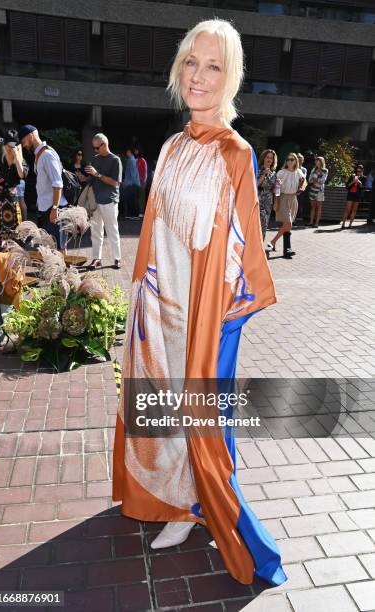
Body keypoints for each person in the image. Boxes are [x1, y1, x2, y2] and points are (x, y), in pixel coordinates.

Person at [112, 19, 287, 588]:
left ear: (231, 77)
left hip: (204, 320)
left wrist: (218, 328)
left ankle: (196, 508)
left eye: (214, 65)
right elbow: (156, 228)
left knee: (199, 422)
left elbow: (245, 252)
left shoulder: (237, 155)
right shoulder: (170, 146)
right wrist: (140, 294)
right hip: (158, 310)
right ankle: (171, 497)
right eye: (191, 61)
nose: (199, 75)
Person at [19, 124, 68, 252]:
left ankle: (62, 272)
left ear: (30, 136)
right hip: (46, 209)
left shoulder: (47, 154)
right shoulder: (39, 155)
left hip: (54, 209)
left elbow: (57, 183)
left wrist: (55, 208)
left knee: (58, 248)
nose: (23, 145)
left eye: (23, 141)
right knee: (50, 247)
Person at [85, 133, 123, 269]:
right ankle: (97, 258)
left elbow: (114, 182)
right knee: (95, 232)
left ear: (105, 144)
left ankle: (117, 258)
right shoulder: (95, 159)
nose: (95, 151)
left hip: (109, 200)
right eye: (94, 148)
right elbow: (93, 179)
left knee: (112, 230)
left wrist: (97, 174)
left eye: (97, 148)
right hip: (95, 201)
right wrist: (85, 178)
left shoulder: (115, 160)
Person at [0, 129, 28, 248]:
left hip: (12, 199)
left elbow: (22, 175)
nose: (10, 149)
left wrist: (17, 160)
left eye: (13, 147)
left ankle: (15, 261)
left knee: (15, 233)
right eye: (8, 146)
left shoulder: (20, 160)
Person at [267, 153, 306, 258]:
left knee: (288, 226)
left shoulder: (299, 172)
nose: (290, 161)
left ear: (296, 161)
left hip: (293, 199)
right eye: (288, 159)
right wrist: (276, 201)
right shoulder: (281, 172)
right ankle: (273, 241)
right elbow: (275, 188)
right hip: (283, 198)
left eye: (292, 159)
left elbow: (304, 183)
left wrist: (301, 187)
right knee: (288, 223)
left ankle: (287, 250)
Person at [257, 149, 279, 242]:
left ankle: (260, 245)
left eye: (271, 158)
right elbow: (256, 184)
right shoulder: (258, 169)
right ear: (263, 158)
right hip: (259, 198)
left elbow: (274, 189)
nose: (269, 159)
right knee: (260, 221)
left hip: (269, 201)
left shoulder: (274, 173)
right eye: (267, 157)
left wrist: (277, 186)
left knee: (265, 224)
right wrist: (264, 175)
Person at [341, 164, 366, 229]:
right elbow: (347, 187)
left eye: (360, 171)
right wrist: (353, 181)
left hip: (357, 195)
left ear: (362, 171)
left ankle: (350, 224)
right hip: (351, 194)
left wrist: (360, 183)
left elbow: (363, 188)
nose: (358, 173)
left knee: (354, 210)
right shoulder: (352, 176)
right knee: (347, 210)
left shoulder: (363, 178)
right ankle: (343, 224)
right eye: (357, 171)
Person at [307, 156, 328, 228]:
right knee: (312, 207)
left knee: (319, 207)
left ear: (321, 162)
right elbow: (309, 180)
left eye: (318, 161)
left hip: (320, 191)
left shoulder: (325, 170)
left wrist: (316, 180)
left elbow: (323, 181)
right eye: (316, 161)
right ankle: (311, 222)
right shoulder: (313, 170)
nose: (316, 162)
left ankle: (316, 223)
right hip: (313, 189)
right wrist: (315, 180)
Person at [122, 148, 140, 218]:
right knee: (131, 199)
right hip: (132, 183)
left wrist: (130, 183)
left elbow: (133, 173)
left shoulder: (131, 160)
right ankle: (132, 214)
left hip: (132, 184)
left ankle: (133, 215)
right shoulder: (131, 160)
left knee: (132, 199)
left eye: (128, 151)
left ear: (131, 152)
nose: (127, 152)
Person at [134, 148, 148, 217]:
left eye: (137, 150)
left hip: (141, 182)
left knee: (141, 198)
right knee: (137, 197)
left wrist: (143, 181)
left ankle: (141, 212)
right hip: (136, 182)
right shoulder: (135, 160)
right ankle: (137, 211)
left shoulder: (142, 160)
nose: (136, 151)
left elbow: (144, 172)